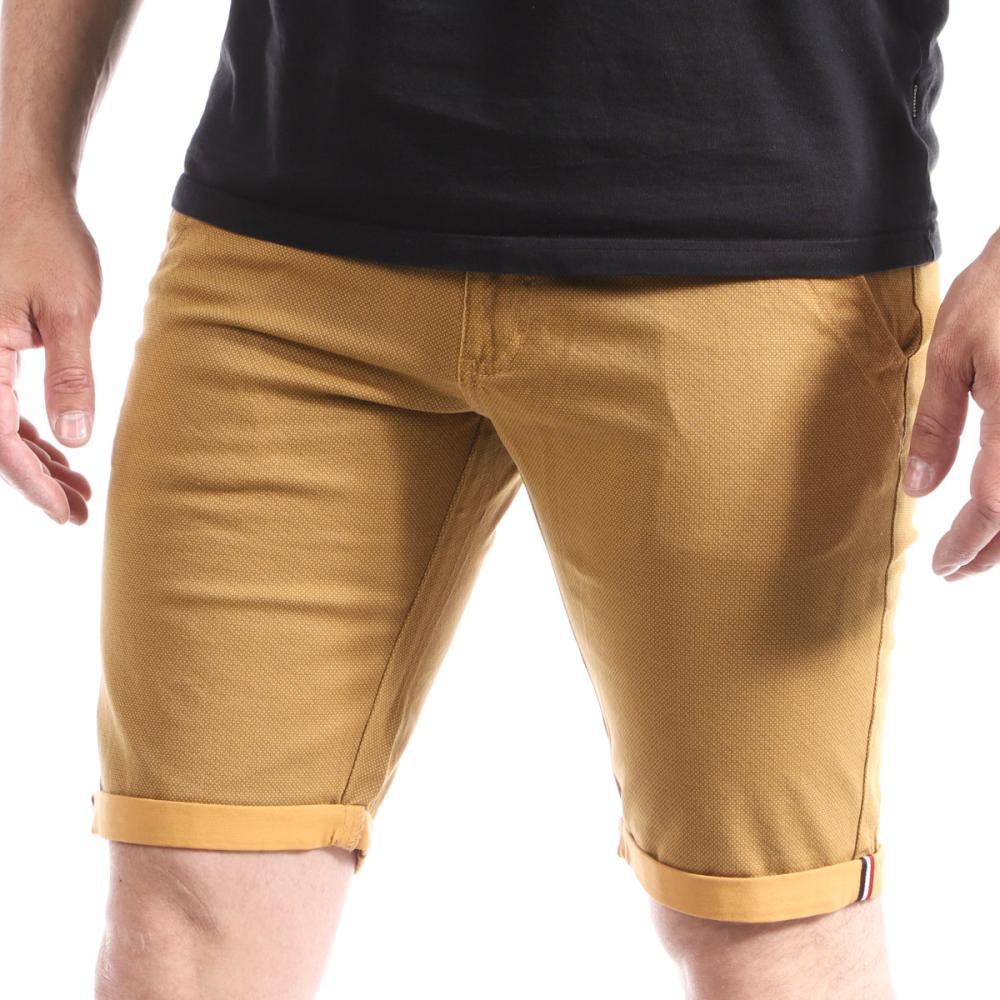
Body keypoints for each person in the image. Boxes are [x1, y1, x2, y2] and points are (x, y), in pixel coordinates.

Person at [0, 1, 990, 997]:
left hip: (753, 252)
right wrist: (21, 171)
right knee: (178, 923)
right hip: (290, 255)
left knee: (769, 931)